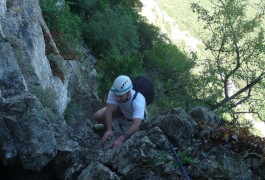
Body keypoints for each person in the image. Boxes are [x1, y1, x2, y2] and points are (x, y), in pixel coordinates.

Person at [93, 75, 146, 148]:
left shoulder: (138, 100)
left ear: (128, 93)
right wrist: (109, 129)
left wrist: (121, 139)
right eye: (116, 95)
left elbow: (137, 125)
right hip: (121, 112)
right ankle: (107, 130)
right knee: (97, 116)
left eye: (120, 96)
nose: (117, 98)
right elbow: (109, 112)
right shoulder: (114, 91)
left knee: (135, 135)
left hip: (136, 118)